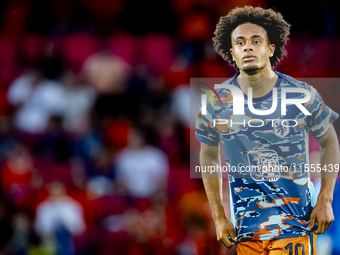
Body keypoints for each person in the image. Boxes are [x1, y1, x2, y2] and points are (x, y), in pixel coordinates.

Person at [196, 6, 339, 254]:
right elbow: (208, 155)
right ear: (232, 52)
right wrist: (219, 216)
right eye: (240, 42)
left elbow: (330, 141)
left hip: (295, 226)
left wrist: (326, 199)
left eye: (256, 41)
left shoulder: (300, 94)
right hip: (245, 233)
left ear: (271, 48)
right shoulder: (216, 102)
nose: (247, 47)